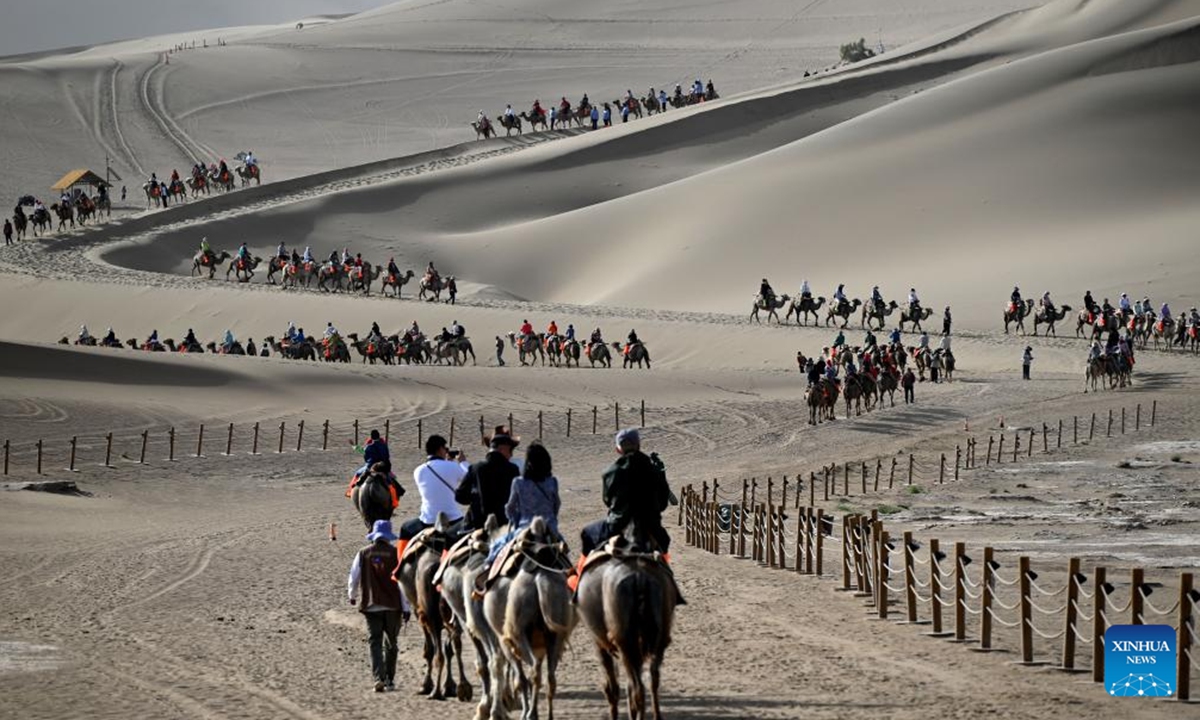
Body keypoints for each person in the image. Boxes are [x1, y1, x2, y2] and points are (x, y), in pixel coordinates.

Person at [479, 441, 561, 589]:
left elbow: (510, 508)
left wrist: (515, 521)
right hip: (550, 529)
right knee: (563, 554)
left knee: (497, 547)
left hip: (523, 529)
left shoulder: (518, 482)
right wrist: (551, 520)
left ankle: (487, 575)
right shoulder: (552, 482)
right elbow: (556, 505)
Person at [580, 429, 672, 556]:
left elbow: (607, 500)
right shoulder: (653, 469)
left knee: (587, 534)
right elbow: (662, 503)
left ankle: (579, 574)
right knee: (664, 542)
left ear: (618, 449)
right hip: (650, 525)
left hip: (617, 525)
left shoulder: (611, 472)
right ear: (639, 445)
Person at [347, 519, 405, 693]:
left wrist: (352, 595)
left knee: (375, 642)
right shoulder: (396, 554)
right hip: (393, 606)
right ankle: (390, 679)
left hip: (371, 605)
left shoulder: (363, 553)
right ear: (388, 536)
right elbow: (402, 582)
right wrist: (407, 607)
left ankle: (378, 678)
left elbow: (354, 576)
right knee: (392, 643)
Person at [400, 435, 467, 552]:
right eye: (445, 449)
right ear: (440, 449)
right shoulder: (454, 466)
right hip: (453, 519)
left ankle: (398, 566)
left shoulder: (418, 470)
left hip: (428, 519)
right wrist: (463, 462)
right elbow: (470, 476)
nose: (446, 451)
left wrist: (447, 462)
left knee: (405, 529)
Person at [455, 427, 521, 530]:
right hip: (504, 524)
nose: (511, 454)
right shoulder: (513, 469)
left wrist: (476, 499)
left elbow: (460, 496)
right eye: (510, 450)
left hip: (476, 524)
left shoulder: (475, 468)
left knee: (447, 538)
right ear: (502, 449)